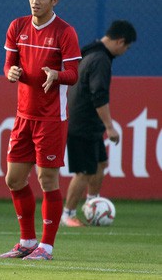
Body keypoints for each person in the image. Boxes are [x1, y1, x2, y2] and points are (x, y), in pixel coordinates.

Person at [0, 0, 81, 261]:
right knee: (14, 179)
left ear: (54, 0)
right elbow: (8, 64)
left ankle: (46, 246)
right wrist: (11, 73)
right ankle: (27, 241)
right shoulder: (17, 26)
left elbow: (73, 74)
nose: (35, 1)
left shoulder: (64, 32)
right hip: (23, 116)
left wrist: (57, 75)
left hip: (50, 118)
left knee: (47, 180)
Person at [60, 20, 137, 227]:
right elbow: (98, 95)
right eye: (126, 47)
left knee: (100, 164)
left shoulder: (91, 51)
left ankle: (92, 203)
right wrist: (110, 126)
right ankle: (67, 215)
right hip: (82, 123)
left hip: (86, 122)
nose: (125, 51)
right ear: (120, 41)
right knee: (84, 171)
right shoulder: (100, 59)